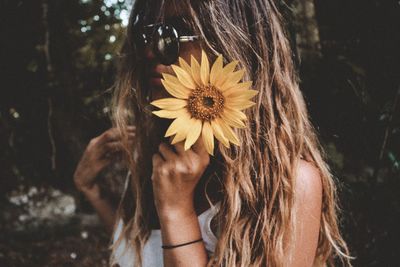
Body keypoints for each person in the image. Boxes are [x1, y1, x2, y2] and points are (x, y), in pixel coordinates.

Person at [74, 0, 353, 266]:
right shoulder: (157, 158)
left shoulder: (288, 188)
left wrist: (177, 212)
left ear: (234, 44)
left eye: (175, 32)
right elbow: (141, 253)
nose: (150, 51)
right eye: (145, 34)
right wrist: (93, 190)